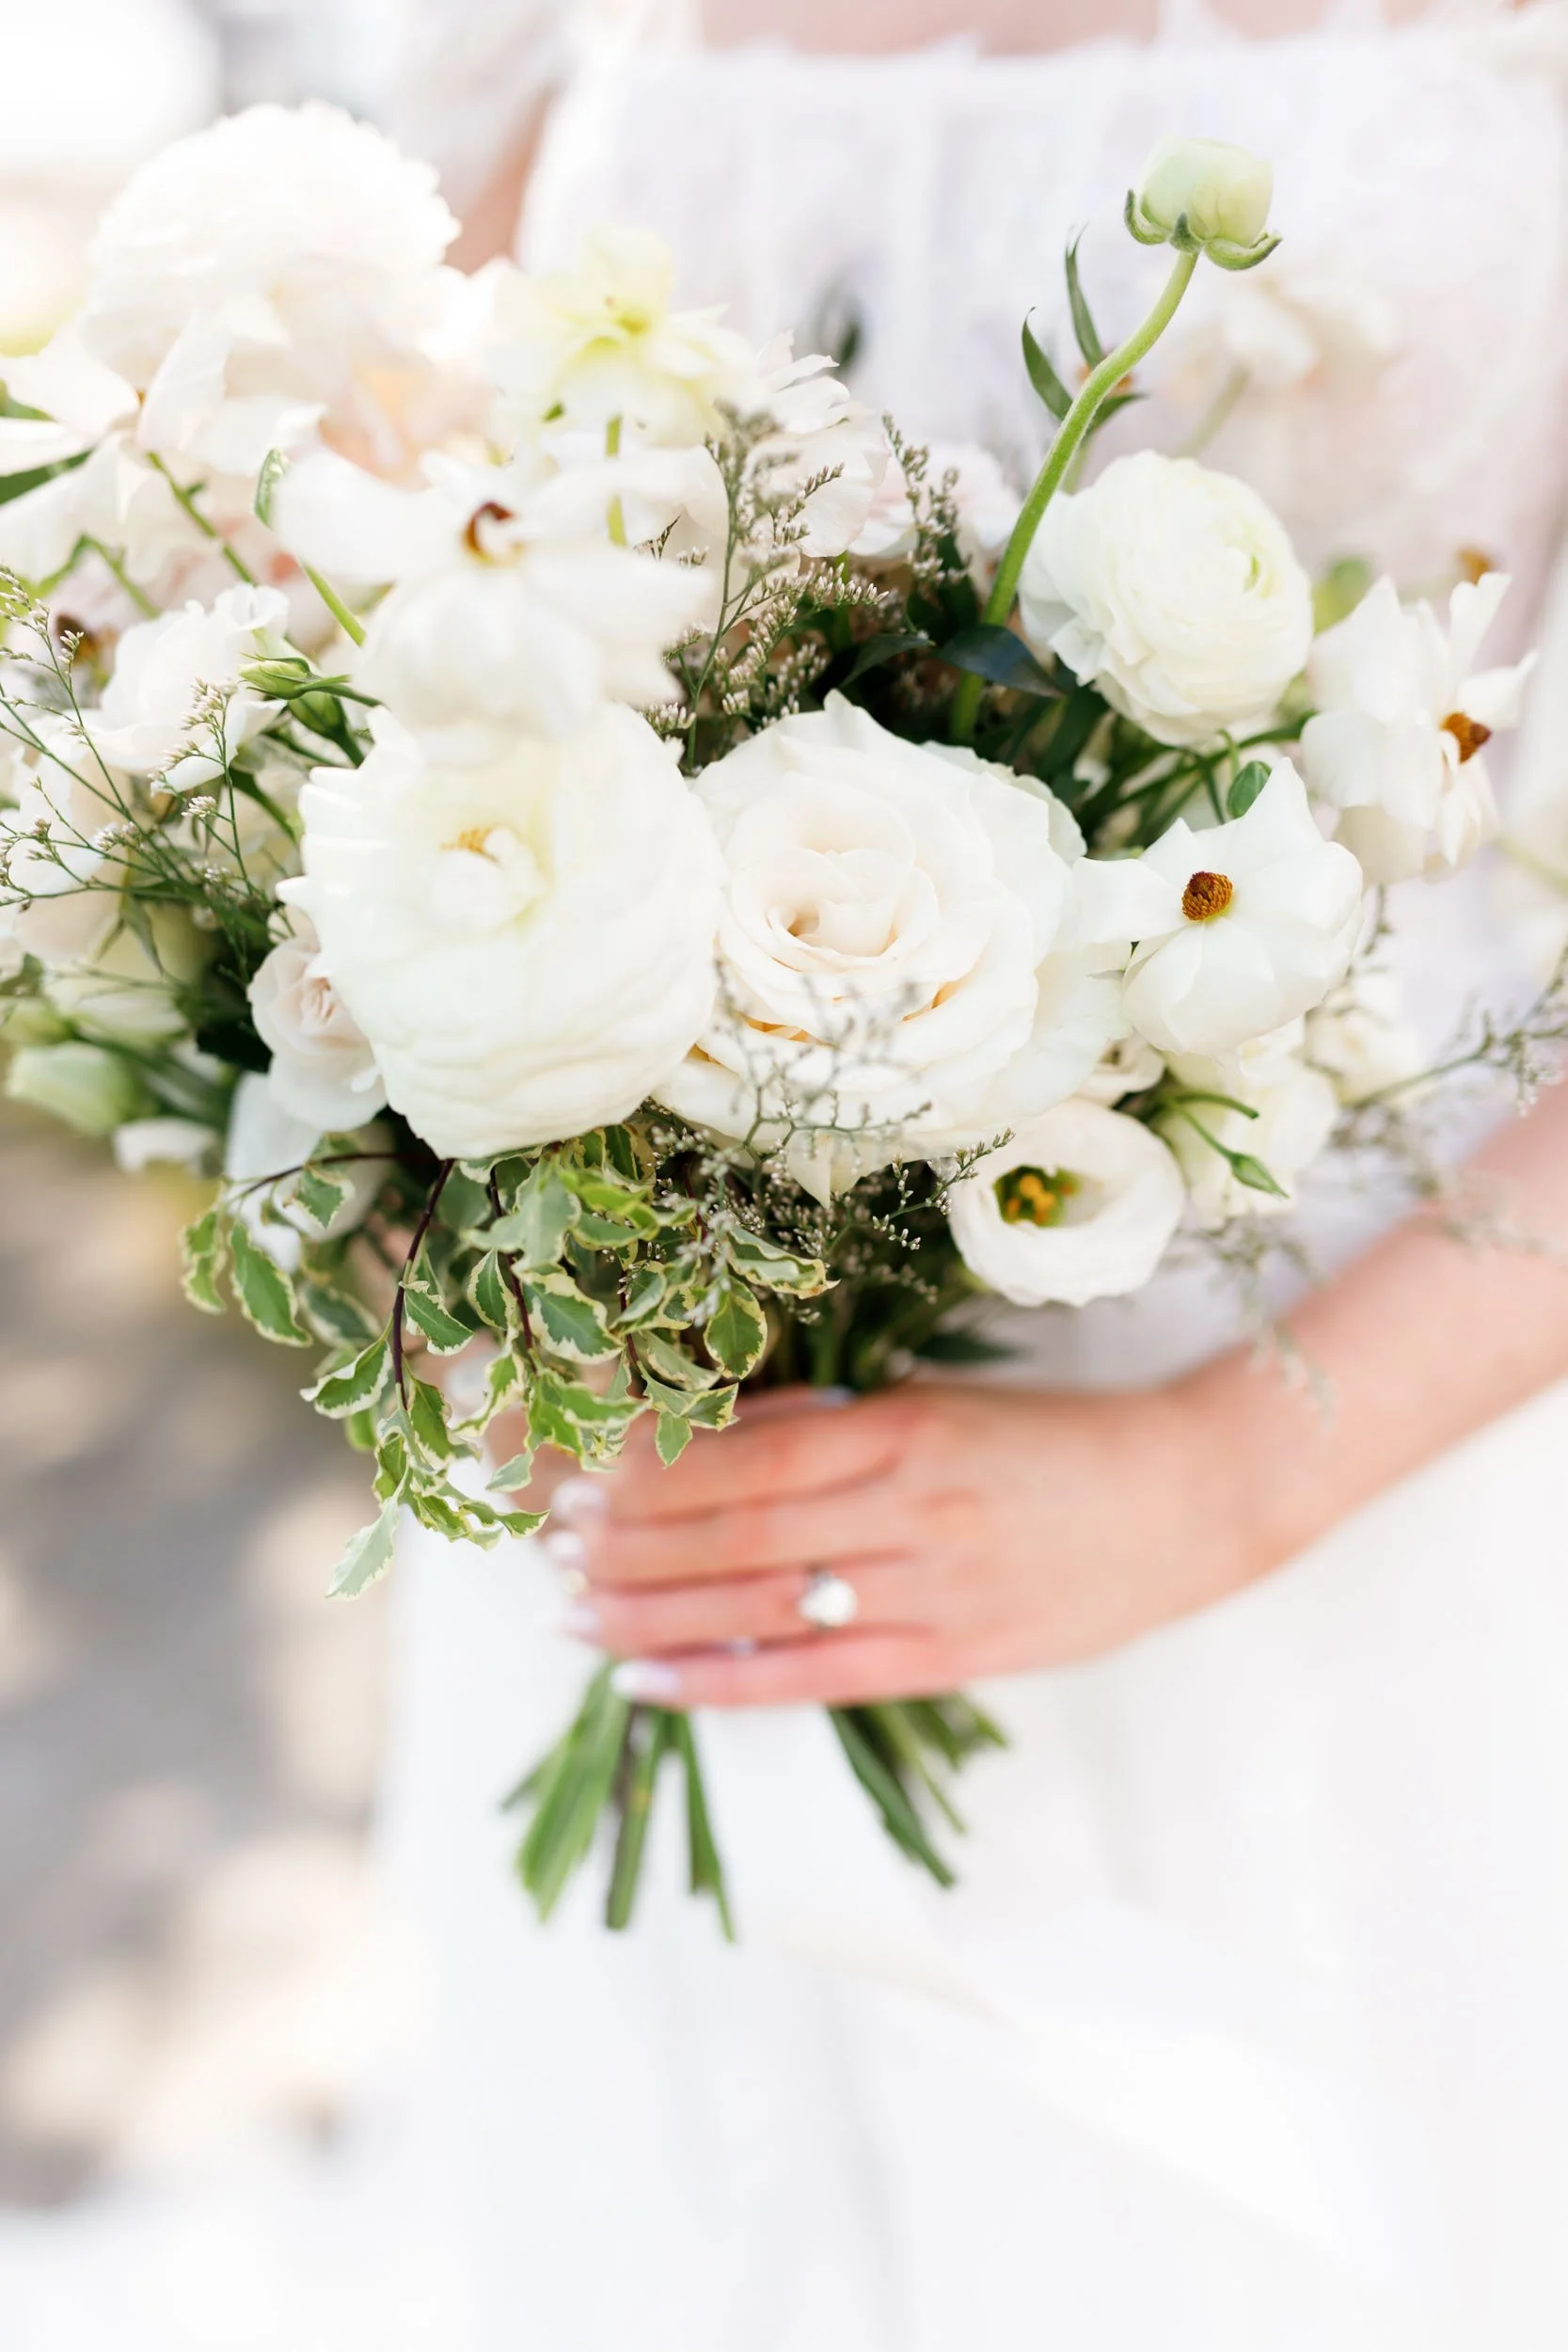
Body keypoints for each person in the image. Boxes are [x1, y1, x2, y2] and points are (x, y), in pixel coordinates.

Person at [379, 4, 1568, 2346]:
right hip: (674, 1433)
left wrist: (1222, 1474)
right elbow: (403, 602)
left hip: (1360, 1406)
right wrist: (434, 1221)